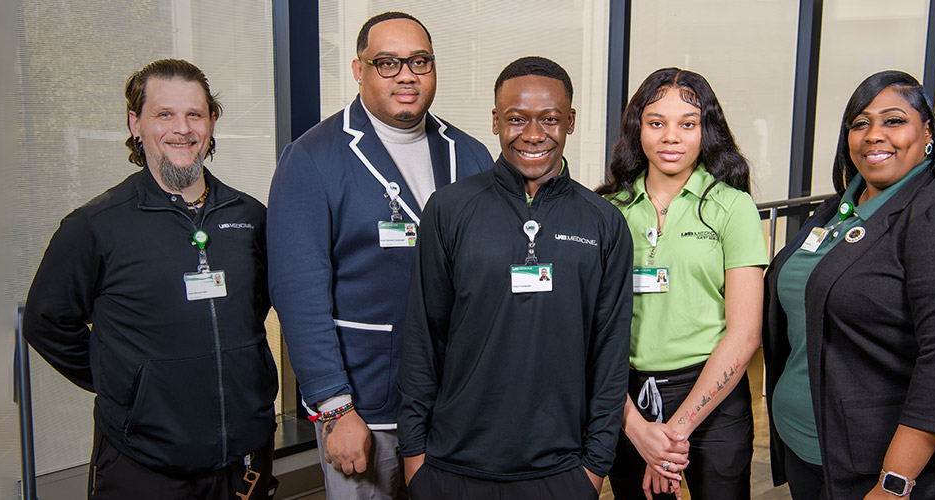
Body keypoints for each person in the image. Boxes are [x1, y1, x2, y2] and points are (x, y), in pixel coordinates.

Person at [22, 58, 277, 500]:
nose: (182, 129)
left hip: (242, 461)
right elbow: (46, 322)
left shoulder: (250, 217)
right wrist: (130, 384)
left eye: (195, 114)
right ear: (135, 123)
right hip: (142, 465)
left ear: (212, 122)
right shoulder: (95, 226)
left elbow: (254, 308)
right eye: (165, 114)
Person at [267, 11, 491, 500]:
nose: (406, 75)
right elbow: (299, 295)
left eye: (419, 61)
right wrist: (334, 409)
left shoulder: (471, 154)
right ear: (358, 69)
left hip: (457, 403)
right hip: (367, 407)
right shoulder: (312, 158)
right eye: (387, 63)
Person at [397, 56, 632, 499]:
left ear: (571, 122)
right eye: (516, 119)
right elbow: (422, 339)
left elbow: (610, 354)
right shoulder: (449, 209)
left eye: (550, 119)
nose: (533, 135)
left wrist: (595, 466)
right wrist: (415, 459)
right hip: (452, 468)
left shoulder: (603, 222)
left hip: (562, 470)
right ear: (495, 121)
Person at [763, 70, 935, 499]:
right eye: (860, 123)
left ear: (928, 134)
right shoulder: (834, 211)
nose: (874, 135)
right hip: (807, 448)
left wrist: (895, 482)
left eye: (894, 120)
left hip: (878, 469)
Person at [595, 68, 767, 500]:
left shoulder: (733, 206)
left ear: (706, 131)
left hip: (713, 396)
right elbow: (590, 329)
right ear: (638, 130)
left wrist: (672, 435)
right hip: (627, 398)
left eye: (687, 124)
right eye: (657, 123)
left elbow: (745, 333)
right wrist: (637, 429)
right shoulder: (606, 209)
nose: (671, 136)